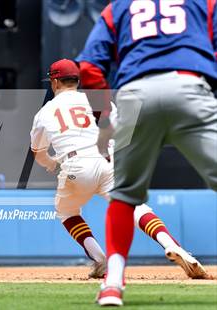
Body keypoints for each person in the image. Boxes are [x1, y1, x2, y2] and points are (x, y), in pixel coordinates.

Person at [75, 0, 217, 306]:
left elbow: (88, 67)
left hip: (135, 95)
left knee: (124, 195)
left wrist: (104, 121)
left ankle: (112, 285)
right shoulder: (203, 2)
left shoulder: (118, 8)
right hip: (189, 87)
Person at [30, 59, 210, 280]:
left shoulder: (45, 112)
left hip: (76, 165)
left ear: (55, 82)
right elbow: (123, 131)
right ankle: (172, 245)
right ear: (78, 80)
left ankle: (100, 260)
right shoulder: (96, 99)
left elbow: (38, 153)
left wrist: (50, 163)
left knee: (66, 211)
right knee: (136, 207)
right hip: (108, 161)